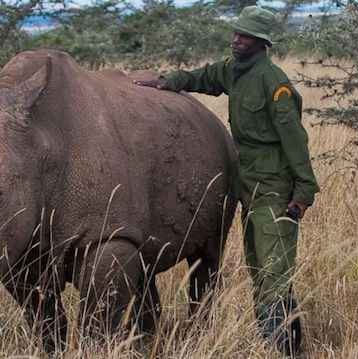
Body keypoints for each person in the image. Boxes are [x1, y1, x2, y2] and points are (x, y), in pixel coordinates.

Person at [135, 5, 319, 357]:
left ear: (261, 42)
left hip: (274, 186)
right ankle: (290, 346)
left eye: (244, 36)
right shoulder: (235, 70)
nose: (236, 40)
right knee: (260, 265)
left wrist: (304, 191)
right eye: (235, 34)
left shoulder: (275, 84)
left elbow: (296, 142)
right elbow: (204, 77)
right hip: (246, 182)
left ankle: (281, 347)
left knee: (272, 269)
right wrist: (167, 81)